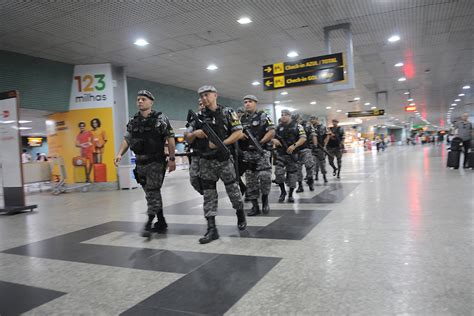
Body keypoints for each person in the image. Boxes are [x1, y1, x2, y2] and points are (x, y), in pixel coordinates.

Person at [185, 85, 246, 244]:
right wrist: (194, 134)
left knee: (233, 190)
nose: (204, 98)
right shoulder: (197, 116)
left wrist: (221, 144)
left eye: (207, 95)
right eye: (202, 96)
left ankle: (240, 213)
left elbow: (238, 132)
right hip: (206, 161)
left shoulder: (228, 112)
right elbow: (187, 137)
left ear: (215, 95)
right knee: (209, 195)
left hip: (224, 159)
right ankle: (212, 229)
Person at [114, 90, 176, 238]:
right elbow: (127, 139)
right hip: (140, 163)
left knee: (153, 191)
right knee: (150, 192)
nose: (140, 101)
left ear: (151, 102)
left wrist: (172, 159)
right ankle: (161, 221)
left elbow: (170, 138)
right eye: (138, 99)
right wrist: (119, 154)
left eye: (143, 99)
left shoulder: (160, 119)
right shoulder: (133, 121)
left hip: (156, 161)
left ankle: (149, 221)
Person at [239, 95, 275, 216]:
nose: (247, 104)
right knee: (251, 181)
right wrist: (240, 135)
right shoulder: (241, 118)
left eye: (249, 102)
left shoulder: (263, 116)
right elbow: (236, 132)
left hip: (262, 152)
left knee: (265, 178)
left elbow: (271, 131)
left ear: (255, 103)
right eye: (245, 102)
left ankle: (265, 200)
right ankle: (255, 206)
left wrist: (260, 142)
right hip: (248, 154)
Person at [273, 109, 306, 203]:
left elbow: (303, 138)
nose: (283, 116)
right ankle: (283, 192)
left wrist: (294, 145)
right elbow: (272, 135)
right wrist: (274, 140)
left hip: (293, 154)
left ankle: (291, 194)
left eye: (285, 115)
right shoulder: (278, 127)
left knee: (292, 175)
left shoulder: (298, 126)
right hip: (281, 154)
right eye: (282, 114)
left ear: (290, 115)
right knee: (278, 173)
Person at [184, 99, 206, 195]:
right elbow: (186, 135)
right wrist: (195, 134)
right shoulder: (195, 120)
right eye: (200, 104)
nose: (202, 106)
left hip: (212, 155)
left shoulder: (216, 117)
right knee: (193, 178)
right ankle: (205, 193)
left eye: (203, 104)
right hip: (197, 154)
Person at [294, 114, 316, 192]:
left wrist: (315, 145)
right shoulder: (292, 126)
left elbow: (313, 135)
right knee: (297, 169)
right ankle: (300, 185)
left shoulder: (307, 125)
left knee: (309, 165)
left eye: (298, 119)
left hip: (306, 149)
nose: (297, 120)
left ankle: (310, 180)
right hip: (295, 151)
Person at [310, 116, 328, 183]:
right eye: (311, 119)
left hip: (321, 148)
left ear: (317, 120)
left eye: (313, 119)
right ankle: (316, 175)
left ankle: (324, 176)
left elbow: (327, 136)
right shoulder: (310, 128)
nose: (312, 120)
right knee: (314, 163)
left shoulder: (323, 127)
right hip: (312, 149)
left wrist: (325, 145)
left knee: (322, 164)